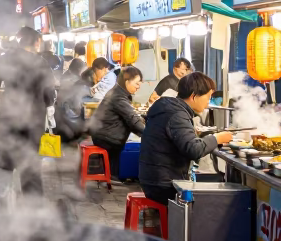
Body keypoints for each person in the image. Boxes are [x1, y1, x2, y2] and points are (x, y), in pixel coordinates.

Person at [138, 72, 234, 205]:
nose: (208, 102)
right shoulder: (177, 114)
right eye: (208, 97)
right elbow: (193, 150)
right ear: (194, 96)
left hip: (152, 178)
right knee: (214, 204)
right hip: (164, 185)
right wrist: (217, 138)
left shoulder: (168, 107)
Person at [0, 26, 57, 193]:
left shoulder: (6, 58)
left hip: (9, 117)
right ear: (36, 41)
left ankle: (1, 204)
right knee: (30, 165)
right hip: (32, 120)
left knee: (7, 162)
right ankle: (32, 207)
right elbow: (49, 91)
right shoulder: (40, 62)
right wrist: (50, 107)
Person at [90, 66, 147, 180]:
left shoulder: (118, 92)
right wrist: (149, 133)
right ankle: (112, 176)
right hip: (106, 136)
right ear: (127, 82)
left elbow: (131, 120)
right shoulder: (119, 97)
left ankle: (113, 175)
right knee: (122, 147)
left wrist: (144, 131)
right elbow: (132, 120)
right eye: (137, 84)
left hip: (101, 132)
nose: (138, 87)